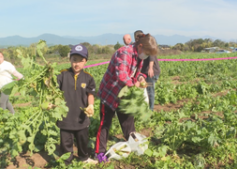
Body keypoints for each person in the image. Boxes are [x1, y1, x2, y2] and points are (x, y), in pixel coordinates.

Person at [95, 33, 159, 162]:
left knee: (128, 122)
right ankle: (100, 153)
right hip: (110, 93)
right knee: (105, 123)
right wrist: (133, 84)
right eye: (146, 52)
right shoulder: (125, 52)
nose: (146, 56)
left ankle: (133, 145)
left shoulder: (139, 56)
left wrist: (141, 77)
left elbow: (138, 71)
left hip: (125, 93)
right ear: (140, 46)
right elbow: (122, 75)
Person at [56, 44, 98, 165]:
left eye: (81, 61)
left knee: (83, 140)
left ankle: (84, 158)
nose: (77, 64)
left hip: (81, 118)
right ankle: (67, 163)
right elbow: (53, 92)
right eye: (74, 60)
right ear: (70, 60)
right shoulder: (62, 75)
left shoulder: (88, 77)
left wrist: (91, 105)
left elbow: (90, 94)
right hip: (65, 117)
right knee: (66, 143)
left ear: (85, 62)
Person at [134, 30, 161, 110]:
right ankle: (145, 108)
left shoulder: (147, 44)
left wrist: (150, 68)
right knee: (144, 90)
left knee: (150, 90)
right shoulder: (138, 46)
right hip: (143, 72)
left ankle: (151, 109)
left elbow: (151, 56)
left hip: (150, 72)